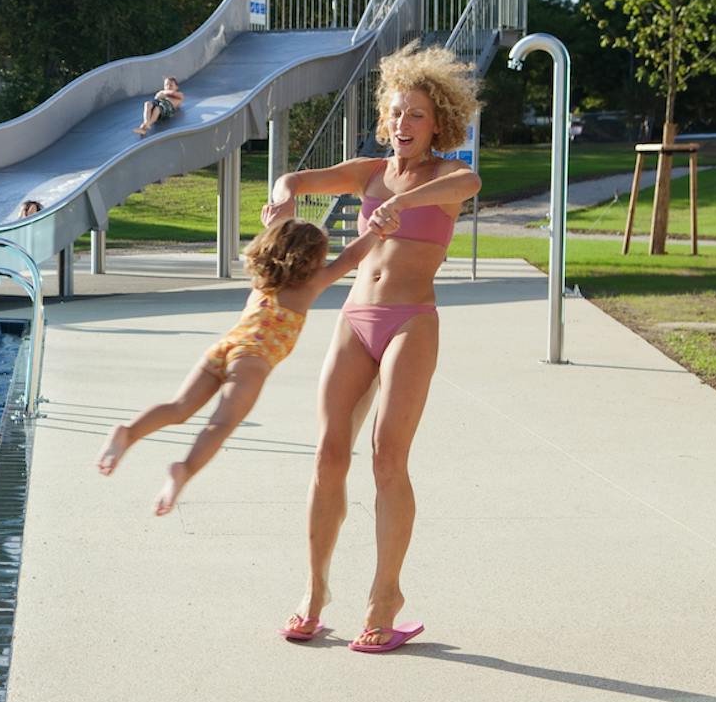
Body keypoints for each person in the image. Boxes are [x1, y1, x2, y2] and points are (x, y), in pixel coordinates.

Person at [260, 43, 481, 653]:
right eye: (393, 113)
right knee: (329, 455)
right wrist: (283, 194)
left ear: (437, 121)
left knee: (388, 458)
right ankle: (313, 594)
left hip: (412, 320)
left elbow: (471, 180)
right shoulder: (367, 172)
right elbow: (296, 178)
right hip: (356, 318)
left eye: (414, 114)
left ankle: (386, 598)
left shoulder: (446, 176)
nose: (402, 125)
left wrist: (399, 205)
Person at [97, 219, 381, 516]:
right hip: (252, 361)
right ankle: (184, 469)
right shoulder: (310, 283)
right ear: (311, 259)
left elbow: (285, 235)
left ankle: (127, 433)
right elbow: (350, 257)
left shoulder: (261, 282)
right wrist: (376, 230)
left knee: (179, 407)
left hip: (222, 349)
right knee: (221, 425)